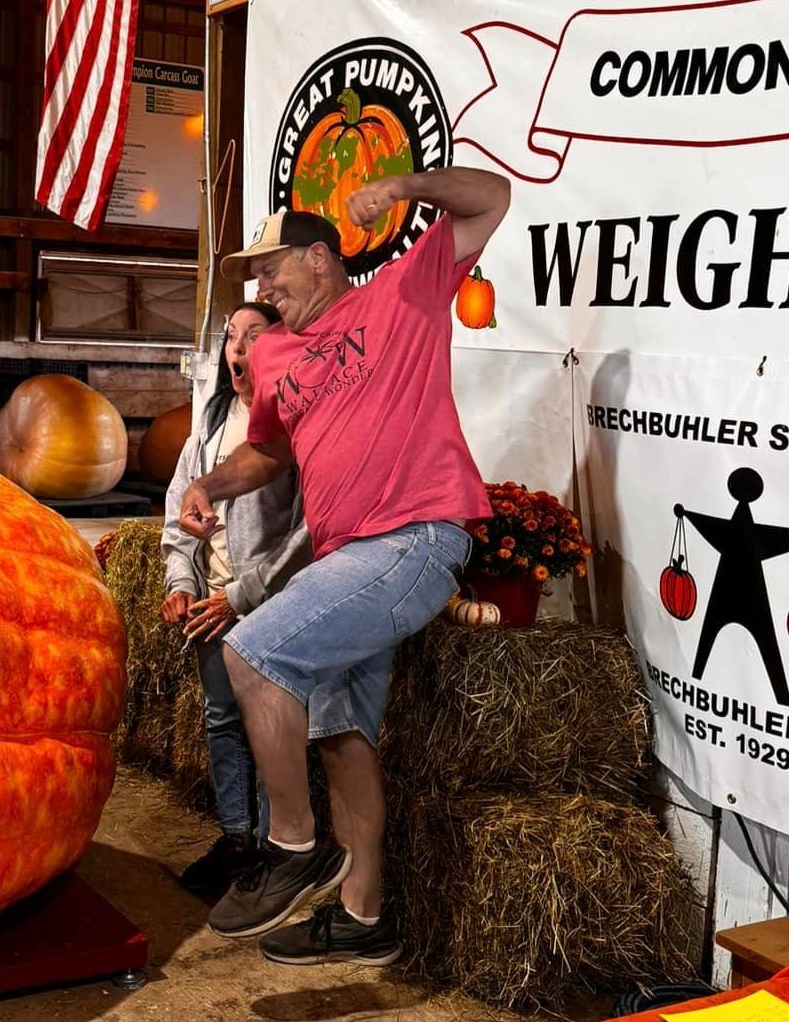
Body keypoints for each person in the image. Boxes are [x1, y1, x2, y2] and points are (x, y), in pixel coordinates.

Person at [179, 167, 510, 966]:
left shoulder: (405, 290)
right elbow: (267, 451)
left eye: (271, 267)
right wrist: (207, 484)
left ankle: (294, 845)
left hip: (416, 537)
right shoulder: (277, 355)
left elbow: (493, 198)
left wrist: (406, 185)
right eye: (255, 274)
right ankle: (366, 918)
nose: (263, 284)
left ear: (321, 257)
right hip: (346, 557)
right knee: (340, 735)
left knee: (252, 652)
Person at [160, 301, 311, 899]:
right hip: (213, 604)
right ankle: (236, 838)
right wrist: (182, 582)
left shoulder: (296, 428)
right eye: (230, 338)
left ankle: (279, 852)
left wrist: (240, 594)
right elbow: (181, 508)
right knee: (222, 719)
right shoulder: (212, 423)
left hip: (268, 603)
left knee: (271, 725)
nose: (238, 349)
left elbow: (308, 533)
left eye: (254, 336)